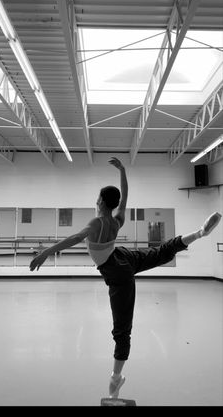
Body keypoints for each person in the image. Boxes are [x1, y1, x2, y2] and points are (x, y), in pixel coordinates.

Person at [29, 157, 222, 399]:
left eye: (97, 198)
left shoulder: (96, 222)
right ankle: (199, 233)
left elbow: (75, 238)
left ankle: (115, 379)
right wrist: (122, 171)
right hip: (123, 257)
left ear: (100, 201)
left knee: (122, 330)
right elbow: (125, 197)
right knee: (160, 253)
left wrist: (46, 253)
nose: (96, 200)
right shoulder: (116, 220)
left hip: (118, 272)